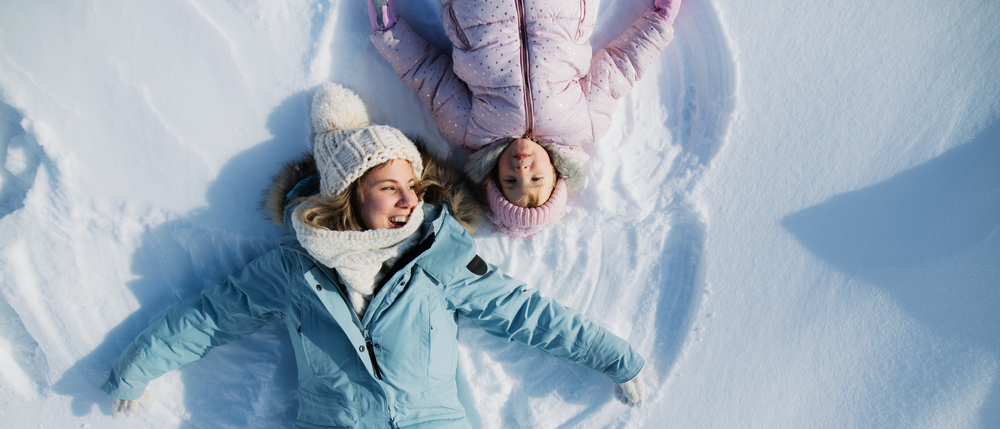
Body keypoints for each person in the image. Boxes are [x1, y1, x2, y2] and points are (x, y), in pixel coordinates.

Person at [102, 83, 647, 427]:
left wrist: (616, 358)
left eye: (413, 186)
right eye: (390, 188)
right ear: (349, 192)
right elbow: (211, 316)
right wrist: (138, 367)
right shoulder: (295, 269)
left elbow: (528, 315)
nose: (411, 200)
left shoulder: (441, 257)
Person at [366, 0, 682, 238]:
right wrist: (660, 20)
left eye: (511, 181)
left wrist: (389, 31)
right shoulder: (582, 124)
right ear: (557, 174)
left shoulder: (470, 129)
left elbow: (428, 75)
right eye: (536, 179)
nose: (522, 169)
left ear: (492, 177)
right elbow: (620, 67)